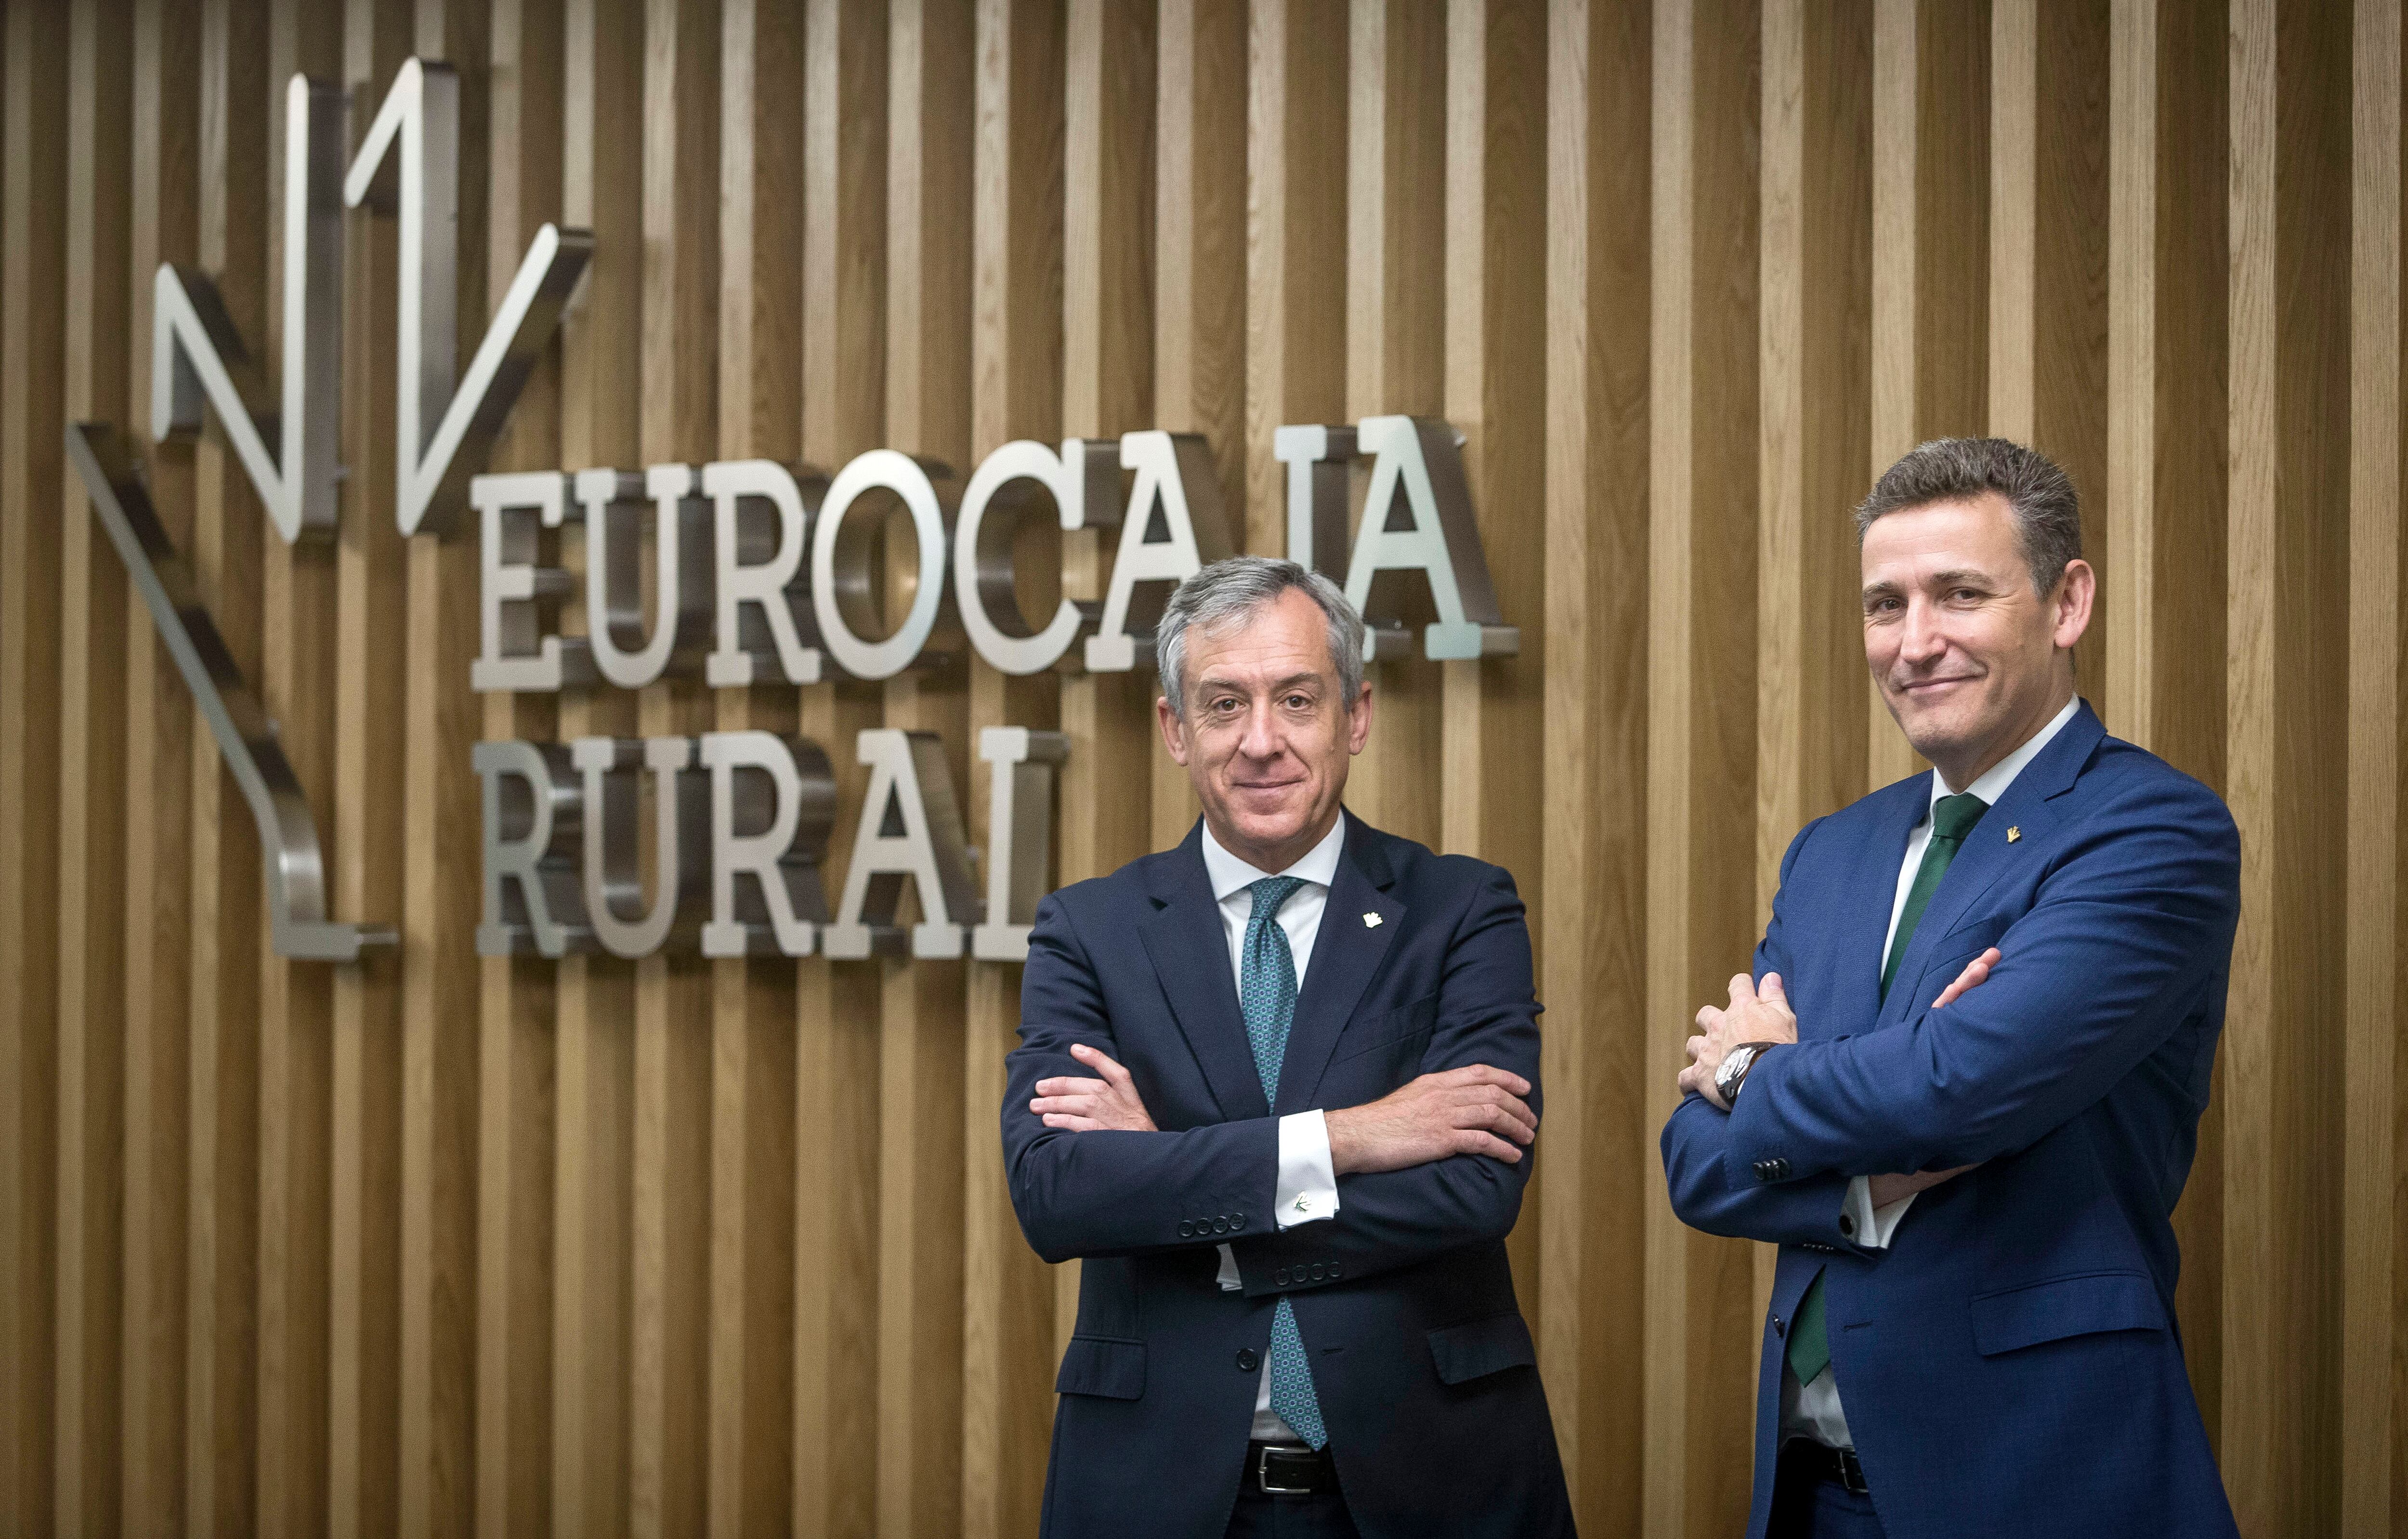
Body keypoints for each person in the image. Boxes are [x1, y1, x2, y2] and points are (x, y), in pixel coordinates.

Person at [1662, 438, 2241, 1539]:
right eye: (1885, 604)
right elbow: (1692, 1160)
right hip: (1810, 1492)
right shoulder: (1832, 852)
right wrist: (1870, 1175)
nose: (1914, 641)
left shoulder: (2149, 829)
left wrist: (1749, 1069)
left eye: (1960, 594)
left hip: (2039, 1475)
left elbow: (1957, 1086)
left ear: (2066, 601)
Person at [1002, 557, 1575, 1539]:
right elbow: (1061, 1193)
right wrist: (1353, 1135)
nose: (1259, 741)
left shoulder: (1460, 909)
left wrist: (1176, 1189)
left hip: (1433, 1481)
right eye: (1223, 703)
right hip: (1159, 1491)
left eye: (1295, 699)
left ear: (1354, 714)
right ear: (1174, 728)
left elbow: (1473, 1187)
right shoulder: (1087, 929)